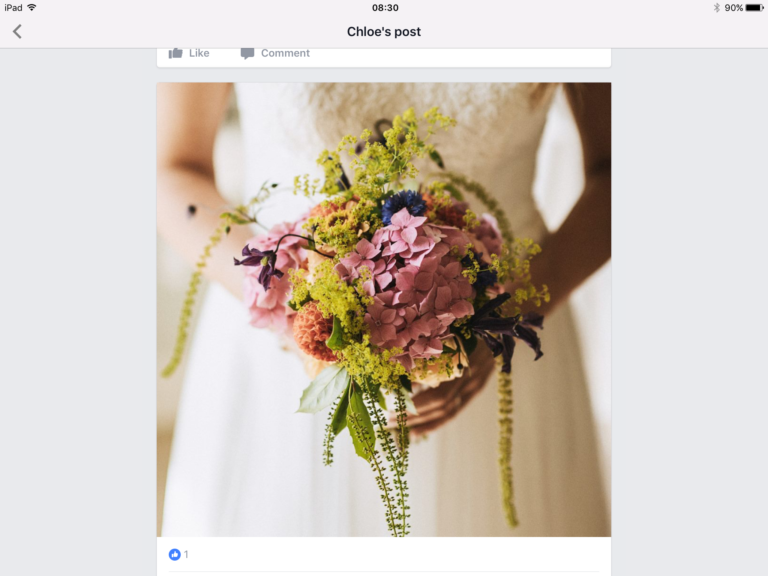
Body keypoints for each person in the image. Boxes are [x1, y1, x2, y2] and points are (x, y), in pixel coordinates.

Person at [158, 83, 611, 536]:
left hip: (512, 335)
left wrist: (499, 320)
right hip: (280, 347)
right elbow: (172, 170)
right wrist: (303, 311)